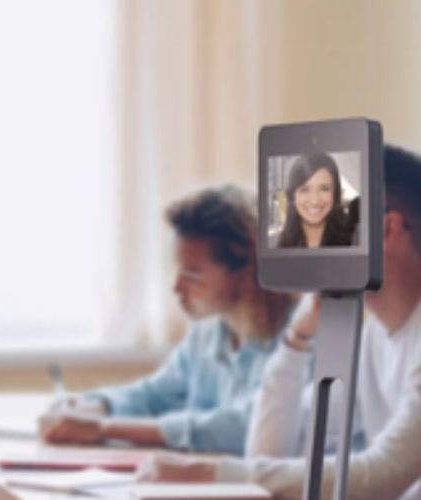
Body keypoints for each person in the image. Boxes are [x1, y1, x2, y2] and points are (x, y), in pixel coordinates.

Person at [140, 146, 421, 500]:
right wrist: (298, 338)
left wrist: (215, 476)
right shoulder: (376, 336)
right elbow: (273, 450)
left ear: (386, 230)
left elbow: (379, 479)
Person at [38, 186, 297, 454]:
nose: (176, 288)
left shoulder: (299, 338)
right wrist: (97, 407)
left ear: (247, 270)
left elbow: (246, 426)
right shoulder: (208, 329)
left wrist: (104, 428)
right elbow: (157, 395)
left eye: (193, 275)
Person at [275, 153, 356, 249]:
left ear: (335, 193)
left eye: (324, 189)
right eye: (304, 190)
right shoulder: (276, 246)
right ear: (293, 195)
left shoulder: (356, 239)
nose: (314, 201)